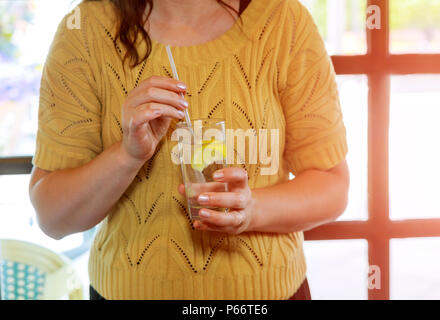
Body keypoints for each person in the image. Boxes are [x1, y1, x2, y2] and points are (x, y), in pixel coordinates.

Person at [29, 0, 349, 300]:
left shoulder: (282, 20)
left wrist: (252, 210)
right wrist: (127, 155)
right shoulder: (85, 29)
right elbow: (53, 217)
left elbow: (332, 186)